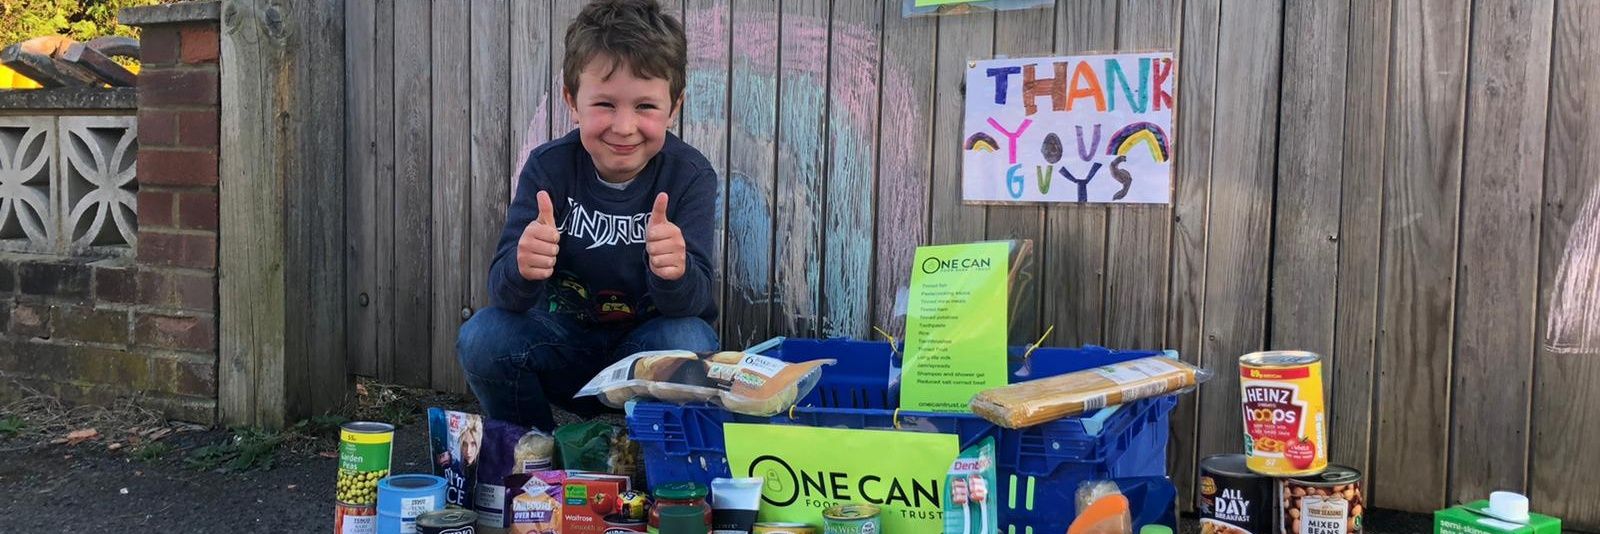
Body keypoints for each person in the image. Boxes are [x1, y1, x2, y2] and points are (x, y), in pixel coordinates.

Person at [457, 0, 719, 432]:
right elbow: (505, 296)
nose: (623, 126)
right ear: (572, 101)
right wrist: (524, 269)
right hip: (561, 345)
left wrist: (676, 272)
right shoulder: (549, 168)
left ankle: (653, 461)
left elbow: (695, 307)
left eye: (646, 107)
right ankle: (533, 453)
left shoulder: (689, 175)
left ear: (674, 107)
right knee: (483, 335)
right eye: (604, 104)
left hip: (643, 356)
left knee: (688, 340)